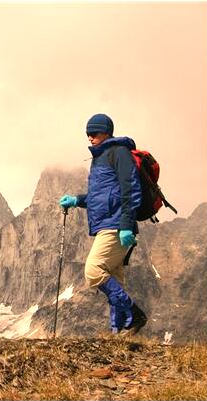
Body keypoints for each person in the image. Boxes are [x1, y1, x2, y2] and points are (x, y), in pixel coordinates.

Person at [59, 113, 147, 335]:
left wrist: (126, 224)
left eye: (94, 132)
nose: (90, 137)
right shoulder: (100, 159)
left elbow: (131, 189)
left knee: (94, 270)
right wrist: (77, 200)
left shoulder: (119, 153)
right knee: (114, 277)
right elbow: (100, 197)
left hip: (116, 225)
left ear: (106, 131)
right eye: (87, 134)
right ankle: (120, 331)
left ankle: (135, 315)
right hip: (107, 225)